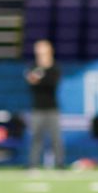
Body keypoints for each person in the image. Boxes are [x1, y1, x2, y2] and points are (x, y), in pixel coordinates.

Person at [25, 40, 63, 169]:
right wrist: (37, 79)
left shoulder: (54, 67)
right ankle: (33, 164)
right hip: (37, 108)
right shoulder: (33, 66)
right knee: (36, 137)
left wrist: (39, 79)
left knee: (56, 138)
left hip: (52, 108)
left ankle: (59, 164)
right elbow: (31, 82)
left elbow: (51, 83)